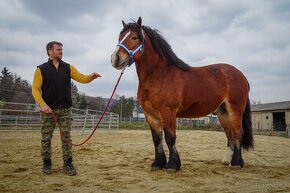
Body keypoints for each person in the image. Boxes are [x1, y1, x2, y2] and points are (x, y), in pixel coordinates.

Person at [32, 41, 101, 176]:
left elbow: (81, 78)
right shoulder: (40, 69)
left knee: (66, 138)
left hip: (65, 109)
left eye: (62, 49)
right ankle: (46, 164)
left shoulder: (68, 67)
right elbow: (35, 89)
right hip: (48, 110)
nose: (61, 52)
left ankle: (68, 164)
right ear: (50, 52)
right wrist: (42, 104)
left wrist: (91, 77)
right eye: (58, 50)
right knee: (46, 138)